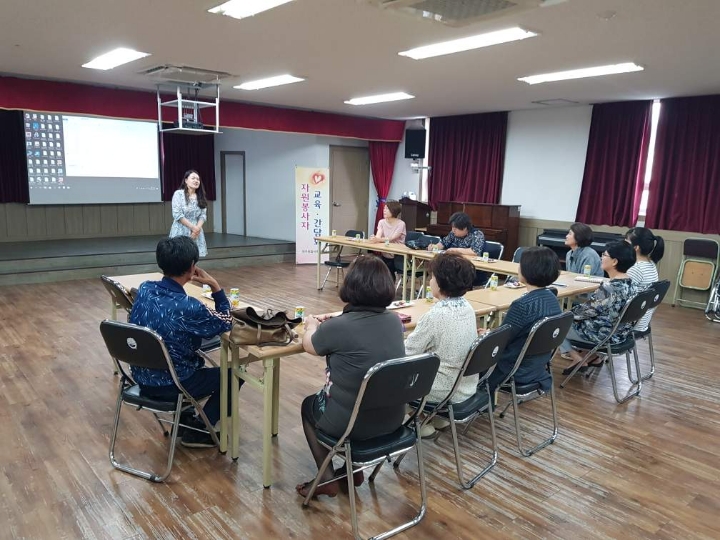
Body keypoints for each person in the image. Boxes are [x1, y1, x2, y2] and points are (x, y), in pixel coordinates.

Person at [296, 255, 405, 498]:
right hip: (393, 418)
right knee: (362, 394)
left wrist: (312, 325)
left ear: (351, 285)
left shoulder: (339, 327)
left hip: (352, 424)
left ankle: (326, 478)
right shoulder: (394, 321)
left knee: (308, 405)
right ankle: (352, 471)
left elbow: (309, 345)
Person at [129, 236, 235, 448]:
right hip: (172, 384)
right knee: (234, 375)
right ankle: (199, 430)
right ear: (193, 267)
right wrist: (215, 286)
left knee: (181, 351)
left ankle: (186, 418)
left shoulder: (145, 289)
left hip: (141, 377)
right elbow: (226, 321)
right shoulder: (189, 306)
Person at [404, 253, 477, 437]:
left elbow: (408, 352)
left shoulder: (436, 315)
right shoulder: (468, 307)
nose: (430, 281)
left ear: (441, 282)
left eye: (432, 277)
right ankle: (437, 418)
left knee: (391, 374)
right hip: (466, 385)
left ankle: (419, 422)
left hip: (443, 390)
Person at [485, 247, 562, 394]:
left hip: (513, 369)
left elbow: (501, 340)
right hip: (537, 367)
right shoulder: (552, 298)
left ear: (528, 270)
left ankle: (482, 402)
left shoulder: (522, 305)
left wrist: (488, 335)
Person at [559, 241, 638, 375]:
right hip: (620, 334)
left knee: (554, 324)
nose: (601, 257)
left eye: (604, 255)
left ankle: (577, 358)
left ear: (614, 261)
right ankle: (594, 356)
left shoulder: (609, 288)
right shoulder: (633, 285)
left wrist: (565, 314)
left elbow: (586, 311)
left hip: (602, 335)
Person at [427, 212, 486, 285]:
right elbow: (443, 243)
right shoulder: (453, 233)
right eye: (452, 227)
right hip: (454, 267)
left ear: (465, 228)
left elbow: (475, 252)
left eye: (455, 228)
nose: (453, 230)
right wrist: (434, 247)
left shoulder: (477, 234)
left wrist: (455, 250)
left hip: (471, 270)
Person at [625, 227, 665, 332]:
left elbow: (623, 297)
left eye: (626, 242)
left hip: (629, 324)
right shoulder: (650, 263)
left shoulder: (635, 268)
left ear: (636, 248)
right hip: (642, 321)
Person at [169, 170, 209, 257]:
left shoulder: (201, 196)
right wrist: (193, 228)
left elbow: (203, 215)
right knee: (178, 256)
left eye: (198, 179)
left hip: (196, 231)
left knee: (193, 257)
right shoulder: (178, 194)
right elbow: (177, 214)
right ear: (186, 180)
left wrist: (197, 229)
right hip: (181, 230)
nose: (196, 181)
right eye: (193, 178)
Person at [368, 200, 407, 279]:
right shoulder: (381, 222)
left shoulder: (401, 224)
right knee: (373, 265)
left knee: (387, 270)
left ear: (394, 210)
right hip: (385, 253)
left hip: (397, 255)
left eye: (387, 209)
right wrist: (374, 238)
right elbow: (378, 235)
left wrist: (378, 239)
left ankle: (389, 284)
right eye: (384, 208)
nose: (384, 210)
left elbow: (391, 238)